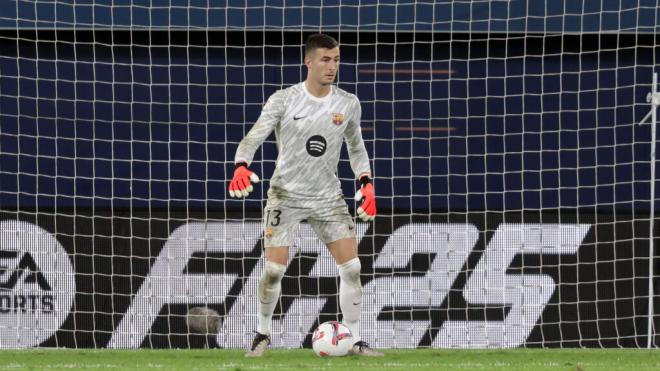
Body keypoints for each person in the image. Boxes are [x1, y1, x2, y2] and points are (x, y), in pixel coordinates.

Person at [228, 33, 382, 357]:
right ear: (308, 61)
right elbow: (253, 137)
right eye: (325, 60)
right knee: (273, 271)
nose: (332, 67)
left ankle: (353, 339)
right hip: (286, 194)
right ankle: (262, 334)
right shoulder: (283, 100)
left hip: (328, 198)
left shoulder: (348, 103)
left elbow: (357, 149)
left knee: (352, 267)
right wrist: (241, 165)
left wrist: (366, 182)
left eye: (337, 60)